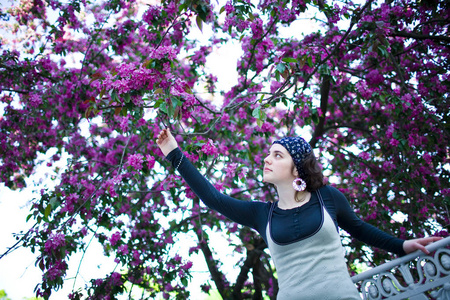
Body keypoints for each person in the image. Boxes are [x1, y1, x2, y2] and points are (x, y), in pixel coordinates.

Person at [156, 128, 441, 299]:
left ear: (297, 168)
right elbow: (212, 197)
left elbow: (359, 229)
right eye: (269, 154)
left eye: (278, 155)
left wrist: (402, 245)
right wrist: (173, 152)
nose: (267, 159)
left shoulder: (328, 198)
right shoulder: (261, 215)